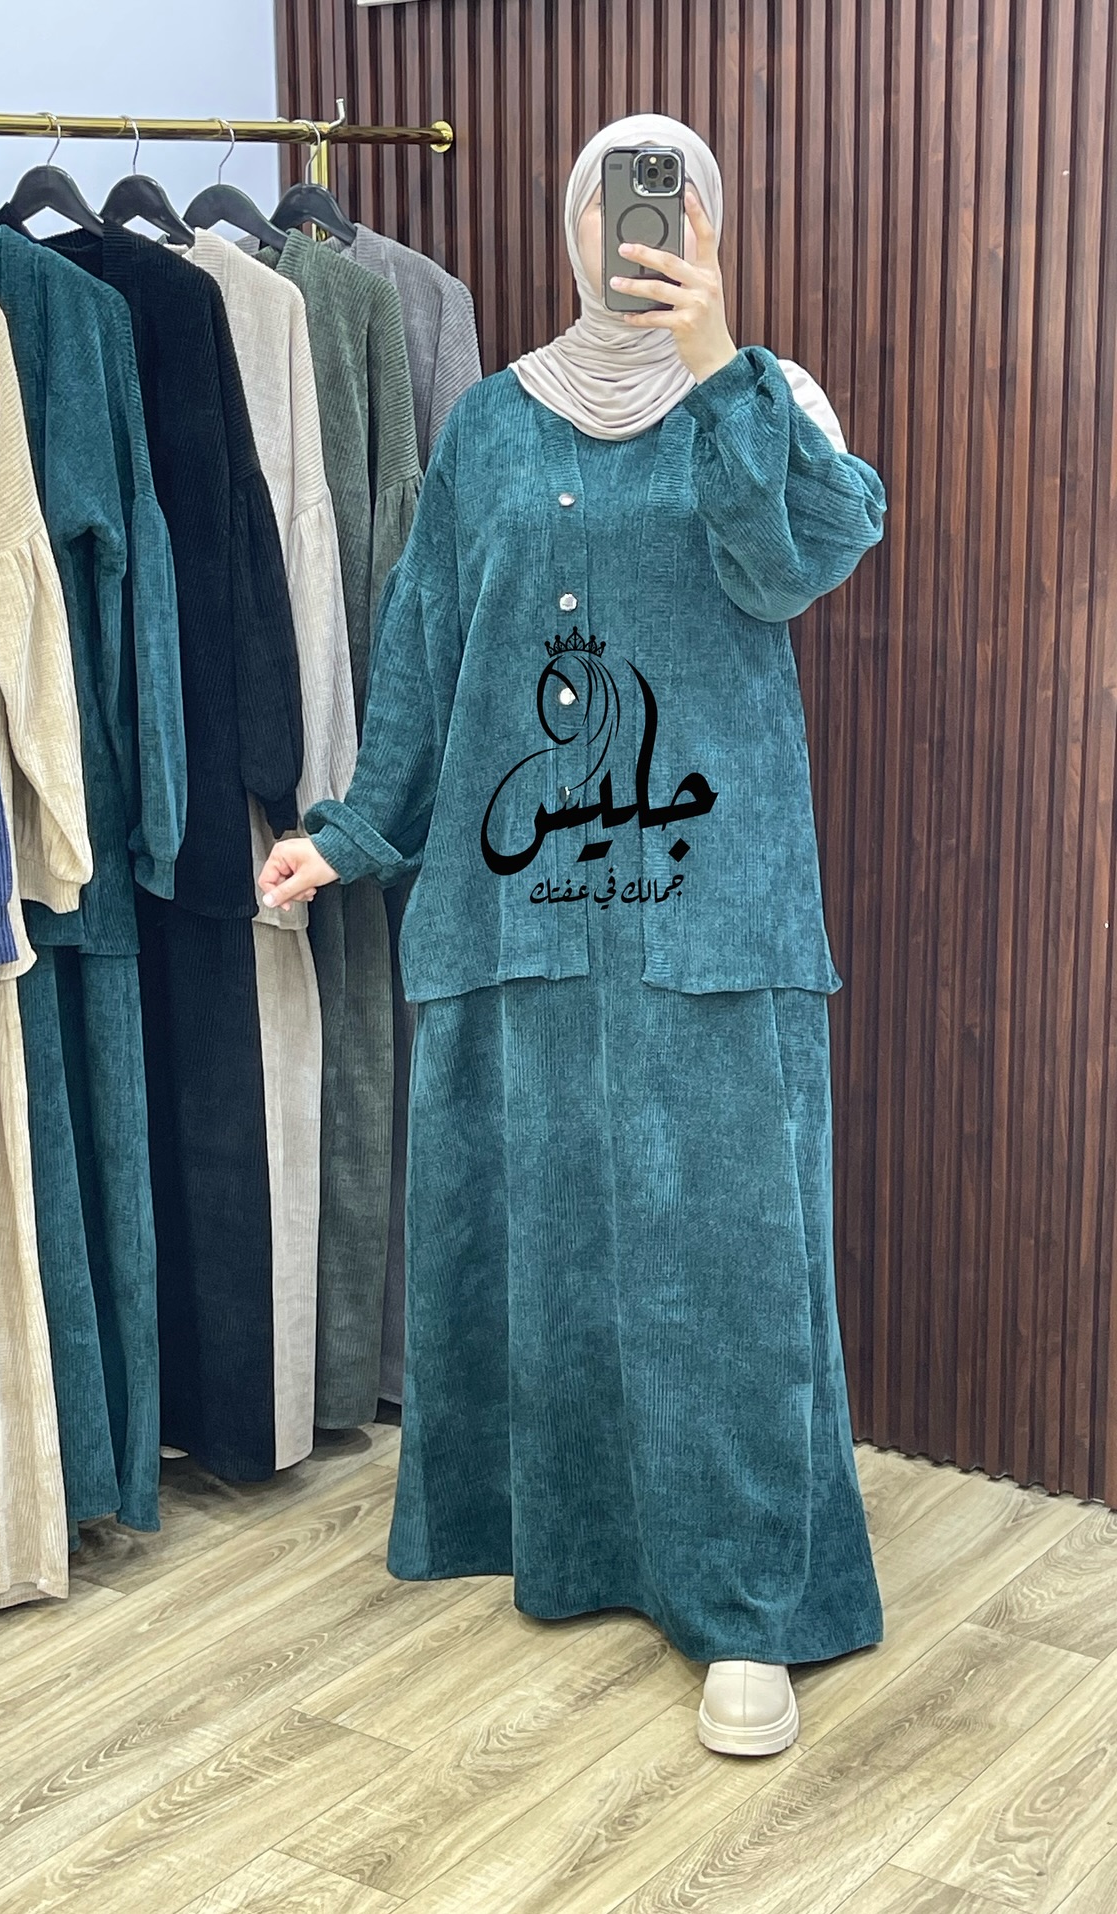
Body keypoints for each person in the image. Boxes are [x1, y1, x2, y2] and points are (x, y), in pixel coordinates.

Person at [257, 112, 886, 1758]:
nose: (635, 228)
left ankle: (749, 1600)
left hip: (716, 914)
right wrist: (354, 829)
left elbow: (798, 561)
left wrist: (718, 358)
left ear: (708, 224)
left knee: (725, 1266)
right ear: (569, 226)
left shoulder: (772, 403)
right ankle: (578, 1540)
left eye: (666, 202)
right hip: (523, 903)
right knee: (548, 1246)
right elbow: (428, 640)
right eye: (612, 202)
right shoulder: (486, 426)